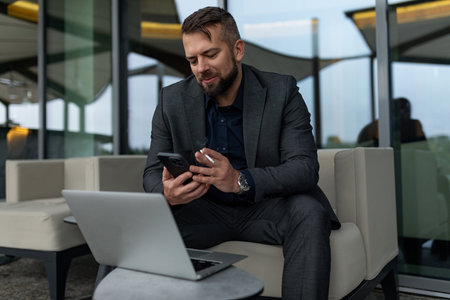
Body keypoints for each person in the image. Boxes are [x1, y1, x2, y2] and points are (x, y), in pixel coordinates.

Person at [143, 6, 340, 300]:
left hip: (266, 207)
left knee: (309, 212)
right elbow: (150, 174)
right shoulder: (172, 100)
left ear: (237, 50)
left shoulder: (281, 91)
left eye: (210, 55)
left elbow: (304, 168)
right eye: (192, 60)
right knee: (136, 228)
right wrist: (167, 194)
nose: (201, 68)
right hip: (203, 209)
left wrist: (239, 180)